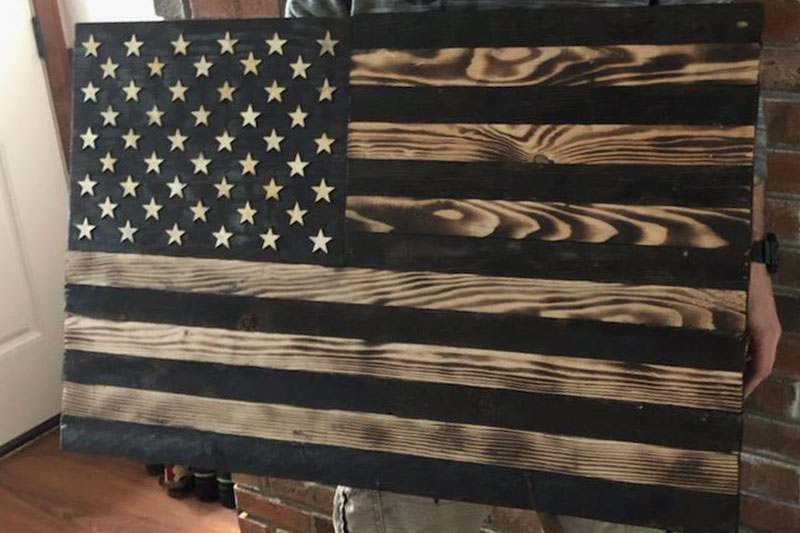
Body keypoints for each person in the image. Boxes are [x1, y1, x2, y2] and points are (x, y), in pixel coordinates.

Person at [286, 1, 783, 531]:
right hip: (409, 299)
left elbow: (718, 70)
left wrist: (749, 263)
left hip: (611, 286)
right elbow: (301, 87)